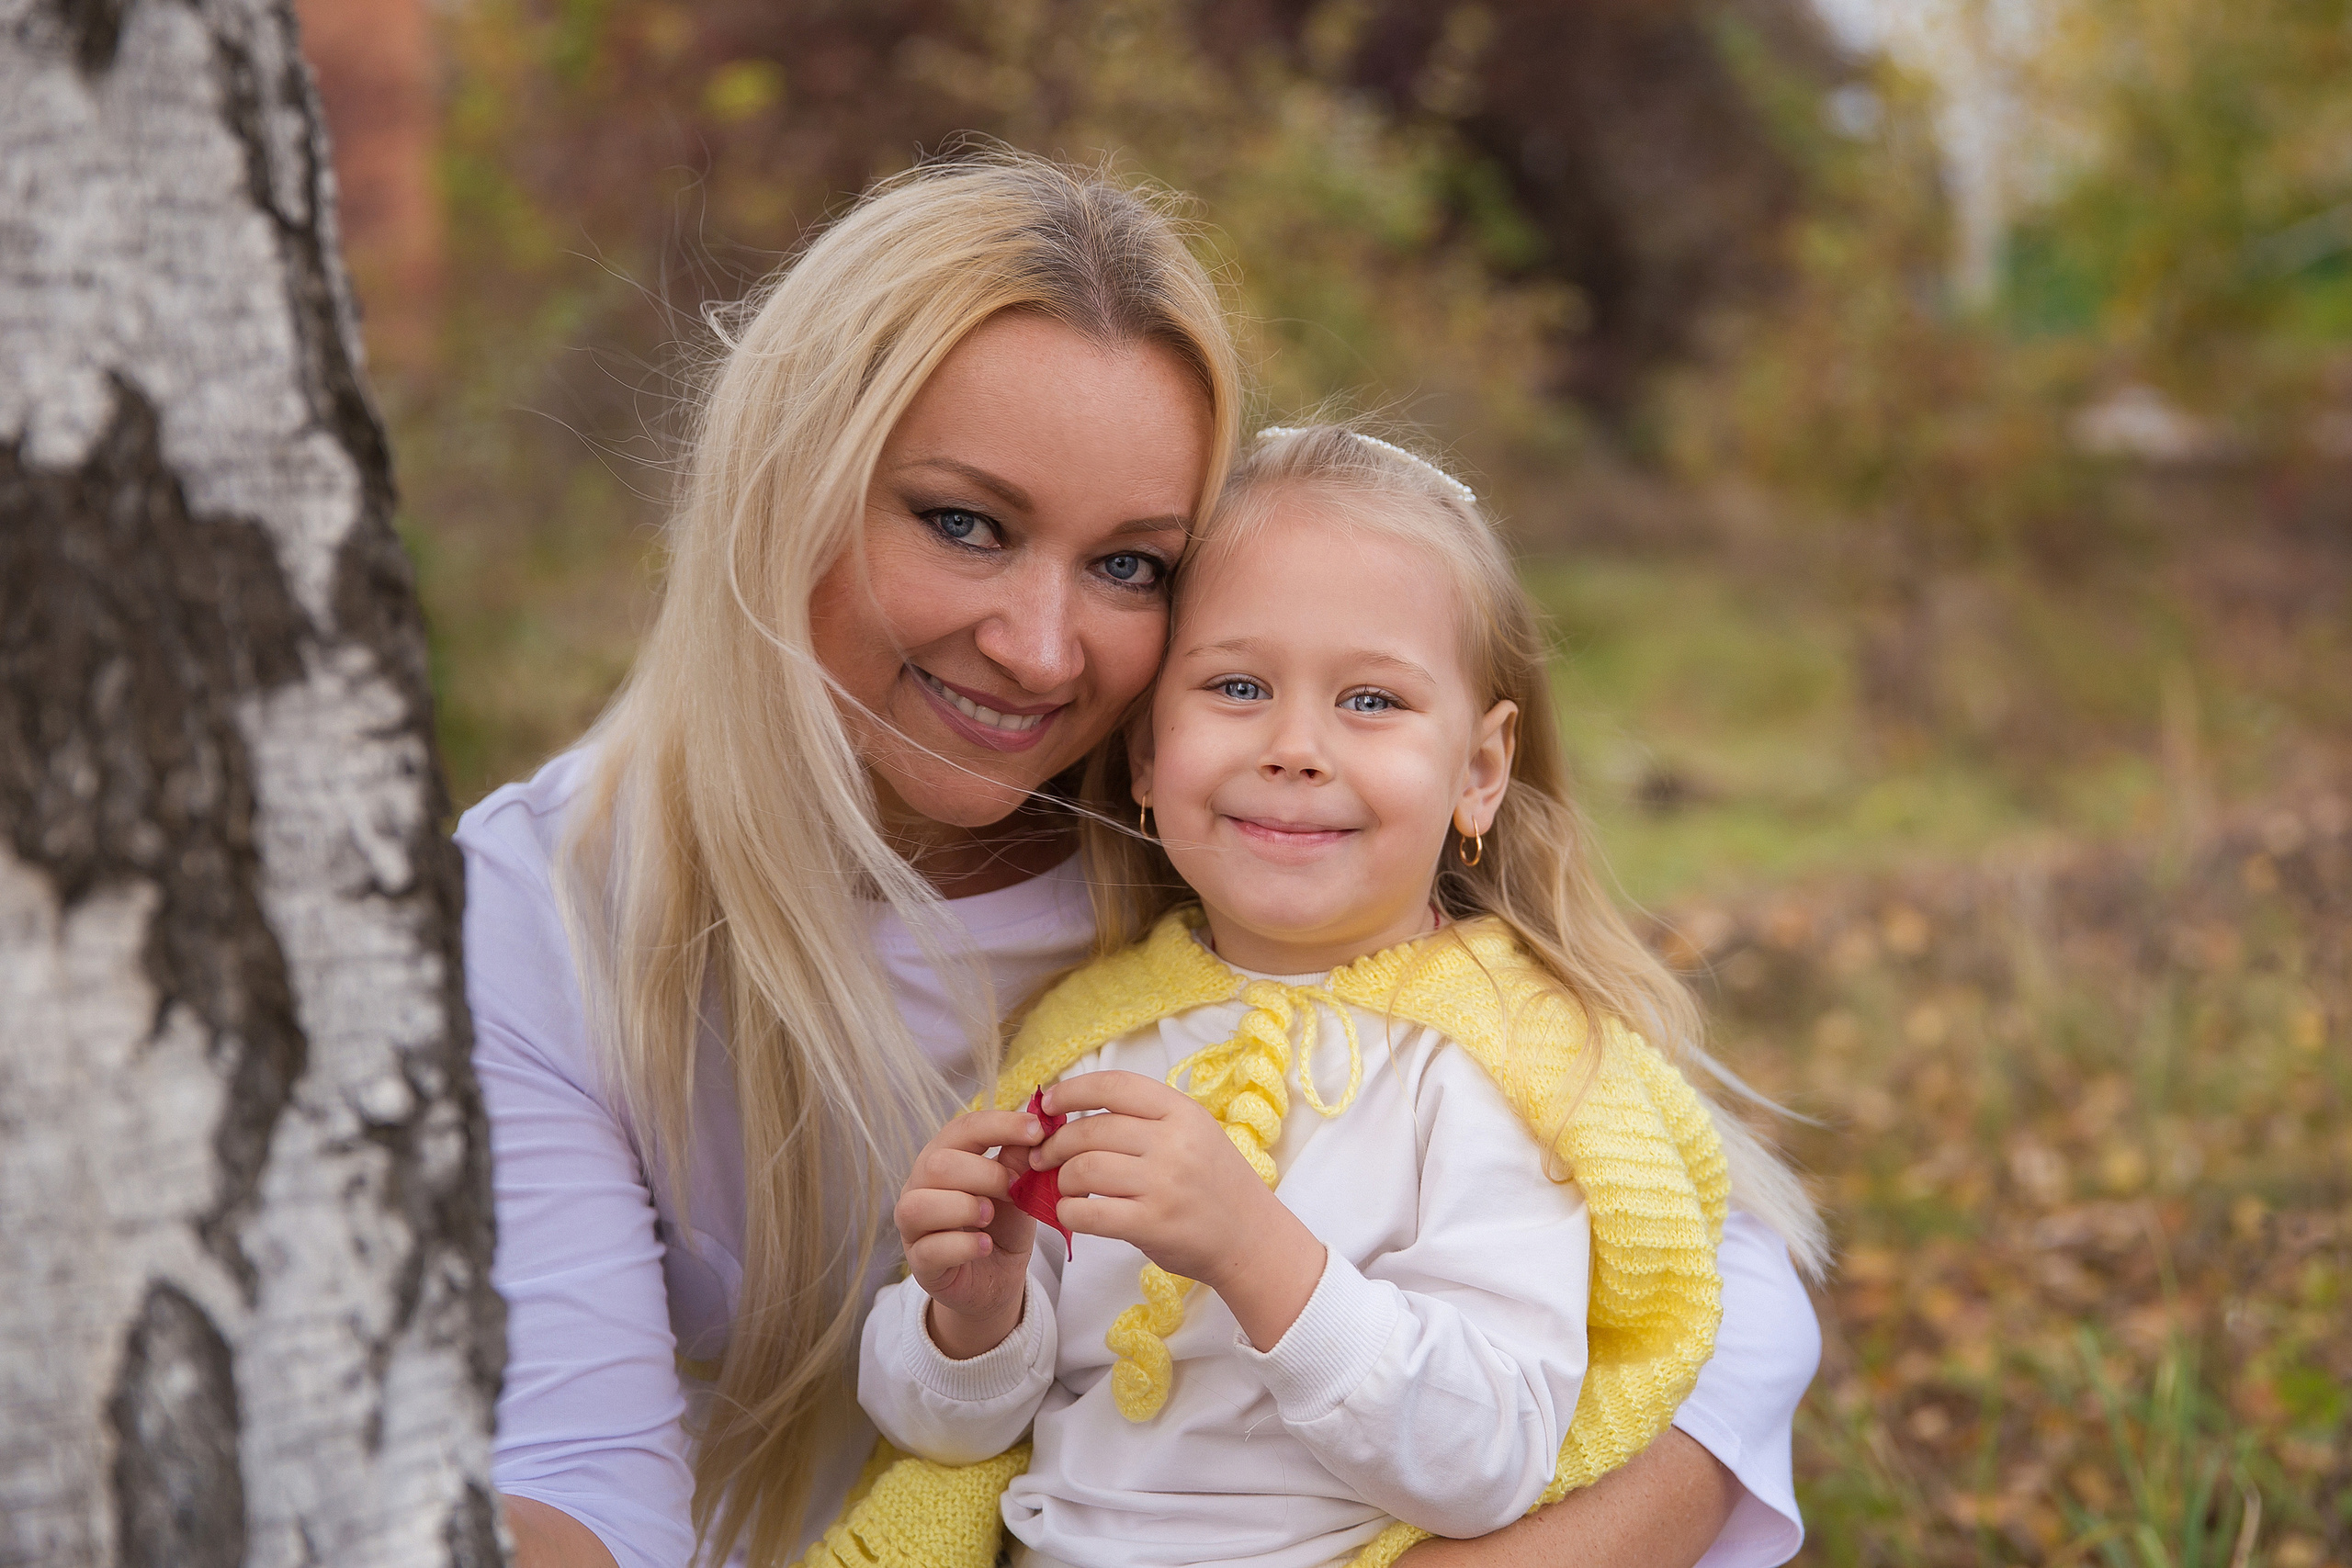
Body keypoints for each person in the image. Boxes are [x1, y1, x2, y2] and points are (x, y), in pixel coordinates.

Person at [457, 153, 1824, 1568]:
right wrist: (968, 1316)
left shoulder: (1227, 858)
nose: (1044, 650)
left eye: (1132, 566)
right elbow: (577, 1470)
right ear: (787, 483)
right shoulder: (553, 903)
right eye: (964, 523)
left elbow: (1704, 1276)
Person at [852, 424, 1827, 1568]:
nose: (1295, 746)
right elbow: (946, 1431)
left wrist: (1259, 1253)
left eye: (1370, 702)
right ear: (1146, 760)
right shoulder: (1088, 1035)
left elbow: (1490, 1458)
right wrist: (970, 1318)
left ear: (1480, 767)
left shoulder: (1502, 1067)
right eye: (1236, 686)